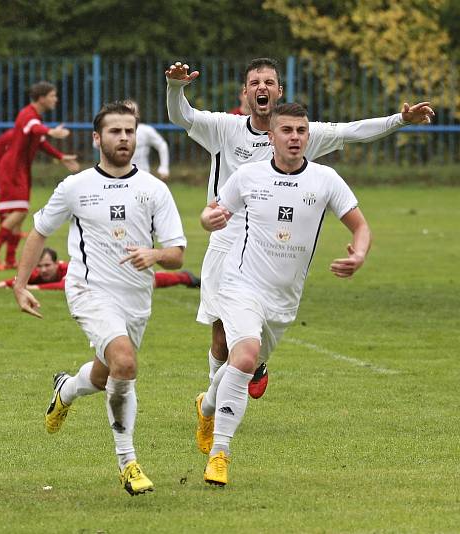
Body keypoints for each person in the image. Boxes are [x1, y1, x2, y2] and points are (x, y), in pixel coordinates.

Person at [166, 58, 434, 401]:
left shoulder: (299, 132)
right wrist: (176, 87)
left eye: (269, 82)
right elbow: (181, 115)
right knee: (221, 333)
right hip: (227, 242)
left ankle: (255, 364)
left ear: (279, 91)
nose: (262, 87)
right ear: (245, 93)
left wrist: (400, 120)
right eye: (255, 82)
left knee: (254, 338)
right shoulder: (224, 128)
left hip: (274, 248)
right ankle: (216, 403)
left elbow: (351, 131)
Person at [13, 101, 187, 495]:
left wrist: (155, 255)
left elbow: (176, 252)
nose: (124, 138)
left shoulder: (154, 190)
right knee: (124, 362)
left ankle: (66, 390)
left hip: (135, 299)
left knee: (106, 372)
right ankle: (128, 463)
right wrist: (21, 285)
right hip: (89, 290)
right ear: (97, 139)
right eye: (115, 131)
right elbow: (39, 231)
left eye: (130, 131)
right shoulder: (76, 187)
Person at [195, 103, 371, 486]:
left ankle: (206, 405)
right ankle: (220, 455)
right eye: (287, 130)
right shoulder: (248, 175)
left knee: (234, 371)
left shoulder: (325, 179)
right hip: (241, 284)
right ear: (271, 136)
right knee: (245, 356)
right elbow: (215, 213)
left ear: (308, 136)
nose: (295, 137)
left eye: (301, 131)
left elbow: (360, 226)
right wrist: (210, 218)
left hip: (284, 300)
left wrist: (359, 253)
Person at [0, 81, 80, 271]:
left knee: (17, 215)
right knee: (19, 211)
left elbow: (40, 141)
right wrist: (52, 131)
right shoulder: (28, 115)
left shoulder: (35, 117)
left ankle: (10, 259)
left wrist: (61, 157)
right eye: (53, 95)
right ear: (42, 98)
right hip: (13, 169)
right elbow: (35, 128)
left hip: (20, 169)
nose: (56, 99)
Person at [0, 246, 198, 290]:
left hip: (110, 272)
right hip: (103, 279)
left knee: (150, 281)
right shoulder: (41, 272)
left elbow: (61, 286)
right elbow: (28, 276)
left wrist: (36, 289)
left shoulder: (67, 270)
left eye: (48, 265)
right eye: (41, 266)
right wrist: (6, 283)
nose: (44, 269)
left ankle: (184, 277)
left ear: (57, 263)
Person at [0, 129, 76, 194]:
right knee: (10, 193)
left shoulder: (31, 133)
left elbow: (42, 144)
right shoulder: (17, 135)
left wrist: (60, 156)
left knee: (15, 194)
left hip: (4, 164)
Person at [127, 101, 170, 180]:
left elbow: (162, 145)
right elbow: (97, 144)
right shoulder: (114, 132)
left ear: (138, 114)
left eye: (133, 112)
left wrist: (164, 167)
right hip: (119, 178)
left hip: (143, 176)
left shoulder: (146, 130)